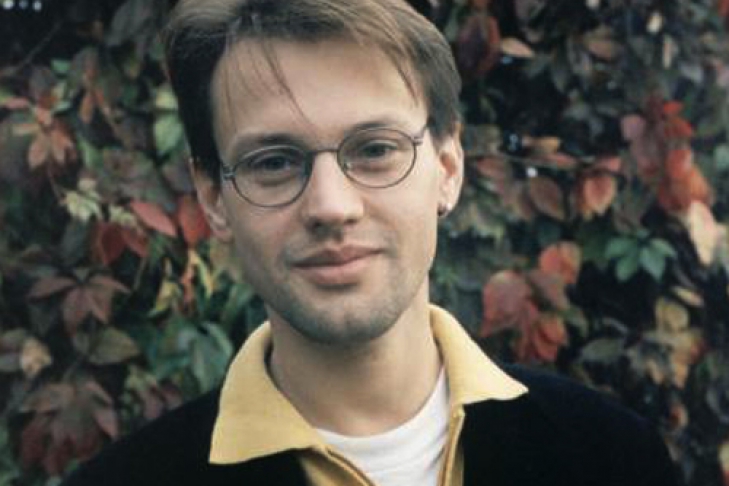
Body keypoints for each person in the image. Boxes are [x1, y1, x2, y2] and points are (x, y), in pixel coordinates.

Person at [62, 0, 680, 485]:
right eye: (273, 162)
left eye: (376, 149)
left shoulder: (613, 458)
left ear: (447, 168)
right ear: (213, 199)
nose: (332, 207)